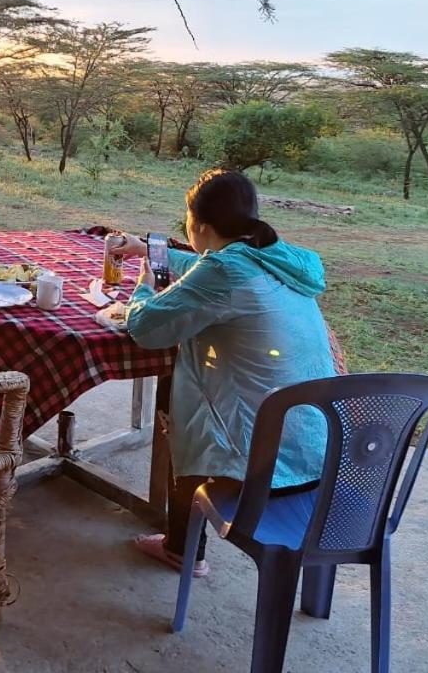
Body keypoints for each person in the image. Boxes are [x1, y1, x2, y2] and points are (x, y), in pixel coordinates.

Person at [114, 168, 335, 578]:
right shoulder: (279, 258)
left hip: (267, 463)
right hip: (319, 448)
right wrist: (148, 248)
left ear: (197, 225)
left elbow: (147, 329)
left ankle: (182, 548)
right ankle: (181, 541)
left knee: (186, 403)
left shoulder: (224, 272)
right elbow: (208, 269)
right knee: (203, 392)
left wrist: (143, 286)